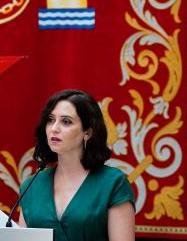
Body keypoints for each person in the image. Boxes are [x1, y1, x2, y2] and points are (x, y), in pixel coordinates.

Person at [17, 89, 135, 241]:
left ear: (87, 132)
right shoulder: (31, 186)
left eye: (66, 122)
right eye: (50, 120)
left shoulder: (112, 183)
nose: (54, 128)